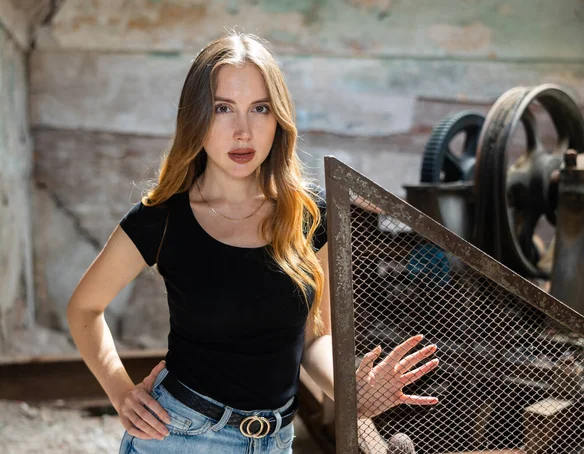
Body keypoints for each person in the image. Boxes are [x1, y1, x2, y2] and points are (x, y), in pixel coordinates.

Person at [66, 32, 439, 454]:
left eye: (259, 109)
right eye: (223, 108)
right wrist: (120, 392)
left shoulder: (310, 215)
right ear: (197, 117)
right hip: (180, 439)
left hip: (275, 442)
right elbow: (84, 308)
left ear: (278, 117)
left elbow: (315, 339)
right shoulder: (163, 218)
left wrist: (354, 395)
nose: (243, 131)